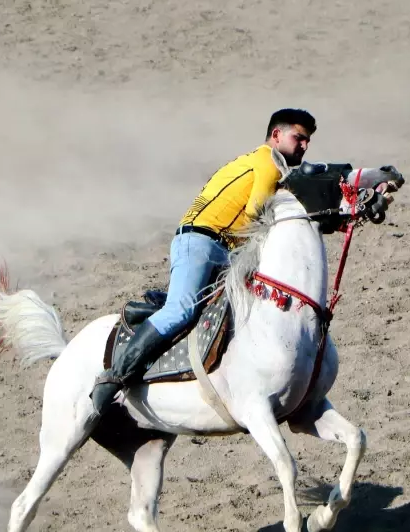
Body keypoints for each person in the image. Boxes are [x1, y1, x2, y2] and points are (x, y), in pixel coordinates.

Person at [88, 108, 317, 418]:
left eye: (307, 141)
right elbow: (254, 216)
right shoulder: (269, 165)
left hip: (210, 244)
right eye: (298, 138)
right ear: (276, 136)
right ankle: (114, 377)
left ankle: (148, 313)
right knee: (181, 310)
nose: (303, 146)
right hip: (202, 242)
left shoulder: (254, 161)